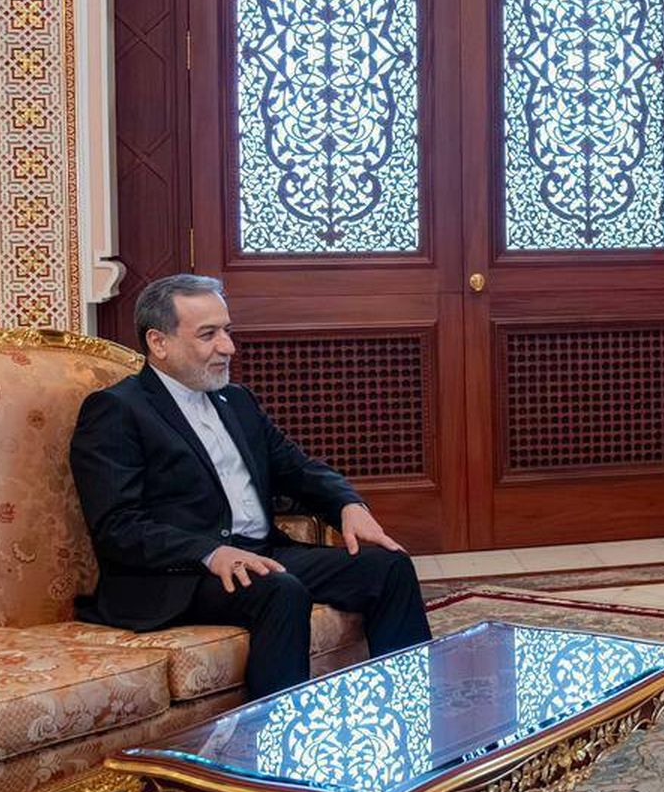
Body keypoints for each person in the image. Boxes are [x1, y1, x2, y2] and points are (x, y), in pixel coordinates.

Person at [69, 274, 432, 698]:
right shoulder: (116, 410)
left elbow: (296, 468)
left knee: (388, 568)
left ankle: (410, 706)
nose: (228, 347)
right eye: (209, 335)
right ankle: (276, 748)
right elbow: (118, 526)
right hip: (178, 576)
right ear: (159, 342)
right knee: (279, 591)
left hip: (261, 555)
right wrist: (208, 551)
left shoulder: (236, 400)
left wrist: (348, 504)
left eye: (227, 331)